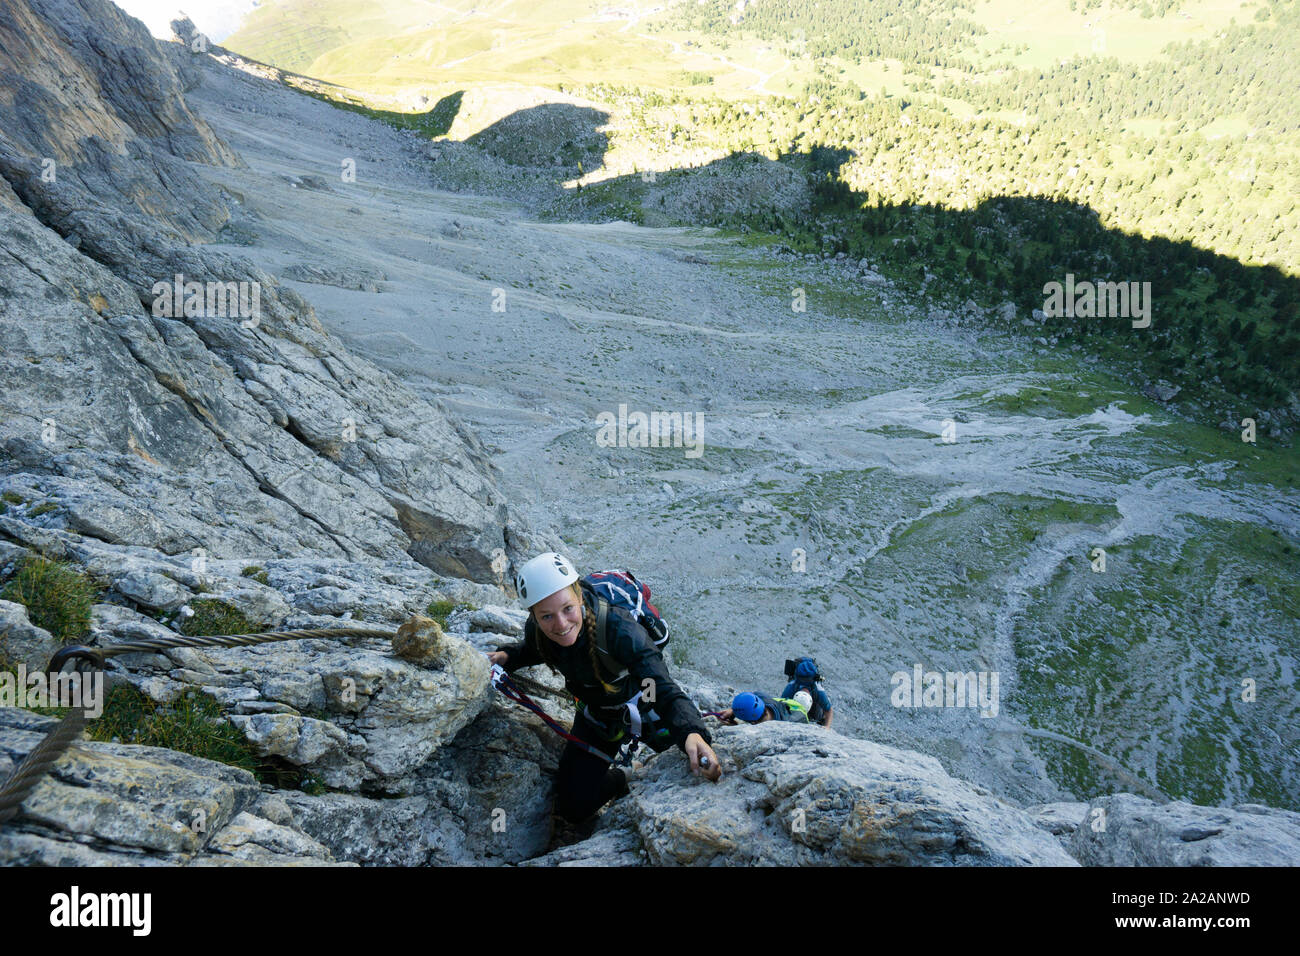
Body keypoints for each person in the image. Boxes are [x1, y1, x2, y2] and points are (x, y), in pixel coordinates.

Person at [488, 552, 721, 823]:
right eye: (547, 617)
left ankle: (652, 750)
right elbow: (534, 649)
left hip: (646, 704)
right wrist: (508, 657)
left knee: (689, 759)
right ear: (535, 617)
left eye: (567, 609)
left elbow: (658, 687)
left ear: (579, 597)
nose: (561, 625)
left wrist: (691, 732)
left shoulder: (619, 630)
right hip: (597, 715)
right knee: (573, 805)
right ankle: (626, 775)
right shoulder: (538, 631)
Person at [782, 657, 834, 728]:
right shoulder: (791, 688)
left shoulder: (818, 691)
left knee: (817, 716)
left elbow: (829, 710)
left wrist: (826, 728)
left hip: (816, 709)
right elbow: (780, 707)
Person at [716, 691, 809, 725]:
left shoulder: (786, 725)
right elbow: (752, 696)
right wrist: (732, 711)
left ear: (752, 722)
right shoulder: (762, 698)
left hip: (801, 715)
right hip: (787, 705)